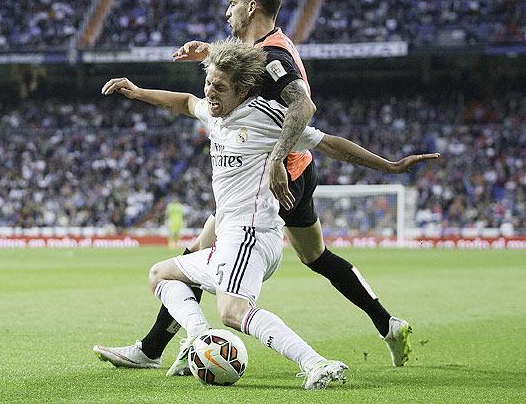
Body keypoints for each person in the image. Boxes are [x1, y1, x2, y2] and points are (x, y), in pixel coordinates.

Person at [95, 0, 432, 370]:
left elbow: (302, 106)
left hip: (274, 174)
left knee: (201, 254)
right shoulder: (265, 47)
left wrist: (276, 158)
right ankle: (386, 323)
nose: (227, 11)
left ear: (251, 7)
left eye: (233, 3)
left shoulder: (274, 58)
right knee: (316, 256)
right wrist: (209, 54)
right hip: (295, 168)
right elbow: (222, 86)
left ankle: (167, 348)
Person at [97, 40, 349, 389]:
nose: (210, 92)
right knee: (161, 275)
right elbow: (186, 102)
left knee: (232, 312)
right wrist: (138, 92)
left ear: (243, 90)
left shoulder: (265, 117)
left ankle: (317, 363)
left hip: (251, 235)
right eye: (208, 83)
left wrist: (391, 167)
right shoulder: (215, 114)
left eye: (220, 86)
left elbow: (329, 142)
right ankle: (198, 338)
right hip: (229, 238)